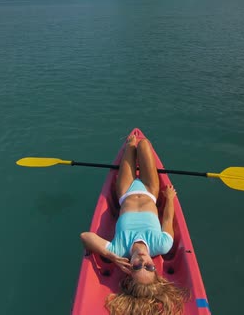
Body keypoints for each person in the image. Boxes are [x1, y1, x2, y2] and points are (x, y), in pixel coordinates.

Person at [80, 134, 188, 315]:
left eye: (137, 267)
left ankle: (129, 142)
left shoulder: (118, 250)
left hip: (125, 192)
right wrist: (169, 199)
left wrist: (110, 256)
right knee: (145, 144)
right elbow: (167, 220)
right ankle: (136, 148)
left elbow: (85, 236)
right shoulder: (161, 245)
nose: (143, 261)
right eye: (149, 267)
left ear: (129, 269)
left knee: (131, 145)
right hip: (150, 191)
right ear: (154, 267)